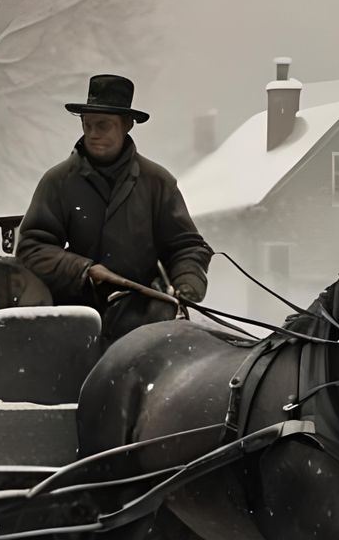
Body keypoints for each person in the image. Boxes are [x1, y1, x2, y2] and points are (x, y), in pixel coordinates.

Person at [16, 74, 211, 342]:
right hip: (75, 317)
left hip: (145, 316)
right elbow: (32, 247)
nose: (93, 135)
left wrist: (187, 282)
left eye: (103, 126)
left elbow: (187, 247)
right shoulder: (58, 181)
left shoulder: (157, 182)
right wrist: (84, 270)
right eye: (88, 125)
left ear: (127, 125)